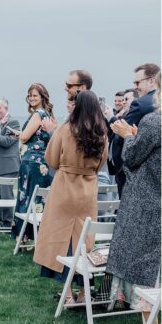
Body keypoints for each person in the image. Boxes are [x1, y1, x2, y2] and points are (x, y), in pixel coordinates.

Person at [33, 89, 109, 292]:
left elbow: (51, 158)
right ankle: (83, 290)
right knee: (84, 237)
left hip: (65, 187)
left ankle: (66, 292)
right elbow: (101, 163)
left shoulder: (66, 129)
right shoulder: (102, 132)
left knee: (61, 235)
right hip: (88, 189)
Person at [109, 72, 162, 324]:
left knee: (146, 268)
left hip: (146, 201)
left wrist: (128, 135)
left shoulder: (153, 121)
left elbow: (131, 156)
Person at [11, 83, 57, 241]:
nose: (31, 98)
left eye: (34, 95)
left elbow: (24, 138)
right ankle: (38, 235)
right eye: (29, 95)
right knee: (39, 198)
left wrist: (20, 135)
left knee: (28, 196)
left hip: (32, 162)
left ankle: (24, 235)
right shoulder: (48, 115)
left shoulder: (38, 113)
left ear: (42, 96)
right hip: (44, 162)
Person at [111, 64, 160, 196]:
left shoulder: (141, 103)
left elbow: (120, 131)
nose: (135, 86)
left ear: (151, 80)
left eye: (137, 82)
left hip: (132, 165)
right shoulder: (156, 103)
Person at [0, 96, 21, 226]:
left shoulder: (14, 123)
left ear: (6, 108)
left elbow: (7, 142)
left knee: (6, 196)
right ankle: (1, 222)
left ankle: (8, 223)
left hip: (8, 166)